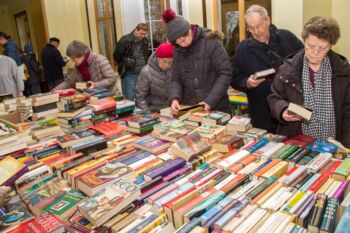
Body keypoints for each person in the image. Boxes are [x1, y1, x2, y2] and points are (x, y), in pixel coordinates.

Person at [268, 16, 350, 147]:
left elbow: (348, 113)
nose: (315, 53)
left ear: (331, 45)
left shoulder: (343, 73)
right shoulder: (286, 71)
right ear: (304, 41)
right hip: (297, 142)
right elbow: (274, 98)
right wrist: (282, 110)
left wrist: (347, 147)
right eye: (311, 46)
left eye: (323, 48)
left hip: (333, 145)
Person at [231, 5, 303, 133]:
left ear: (268, 21)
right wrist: (247, 82)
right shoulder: (243, 48)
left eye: (259, 26)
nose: (256, 31)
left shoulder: (287, 37)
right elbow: (234, 78)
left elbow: (304, 62)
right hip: (261, 111)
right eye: (251, 28)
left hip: (291, 107)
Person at [162, 8, 232, 115]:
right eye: (178, 43)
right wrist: (175, 98)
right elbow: (175, 78)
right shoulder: (178, 50)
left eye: (183, 40)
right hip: (190, 108)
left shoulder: (211, 42)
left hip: (217, 106)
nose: (182, 44)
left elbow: (225, 73)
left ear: (189, 31)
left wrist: (210, 101)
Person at [55, 40, 121, 96]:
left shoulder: (99, 60)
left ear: (81, 54)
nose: (72, 61)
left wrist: (95, 85)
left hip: (111, 95)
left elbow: (112, 78)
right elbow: (68, 83)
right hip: (94, 98)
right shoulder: (77, 67)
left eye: (73, 58)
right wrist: (53, 92)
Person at [113, 23, 150, 101]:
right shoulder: (125, 40)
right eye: (141, 33)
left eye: (144, 34)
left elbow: (146, 55)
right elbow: (116, 56)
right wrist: (125, 63)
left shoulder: (145, 40)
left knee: (141, 98)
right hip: (129, 74)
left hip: (142, 74)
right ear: (136, 30)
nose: (143, 36)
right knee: (129, 98)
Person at [135, 42, 174, 113]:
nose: (167, 65)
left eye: (170, 62)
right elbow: (140, 97)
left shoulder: (174, 69)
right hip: (154, 109)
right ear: (157, 58)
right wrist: (148, 114)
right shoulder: (146, 72)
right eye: (164, 61)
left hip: (172, 107)